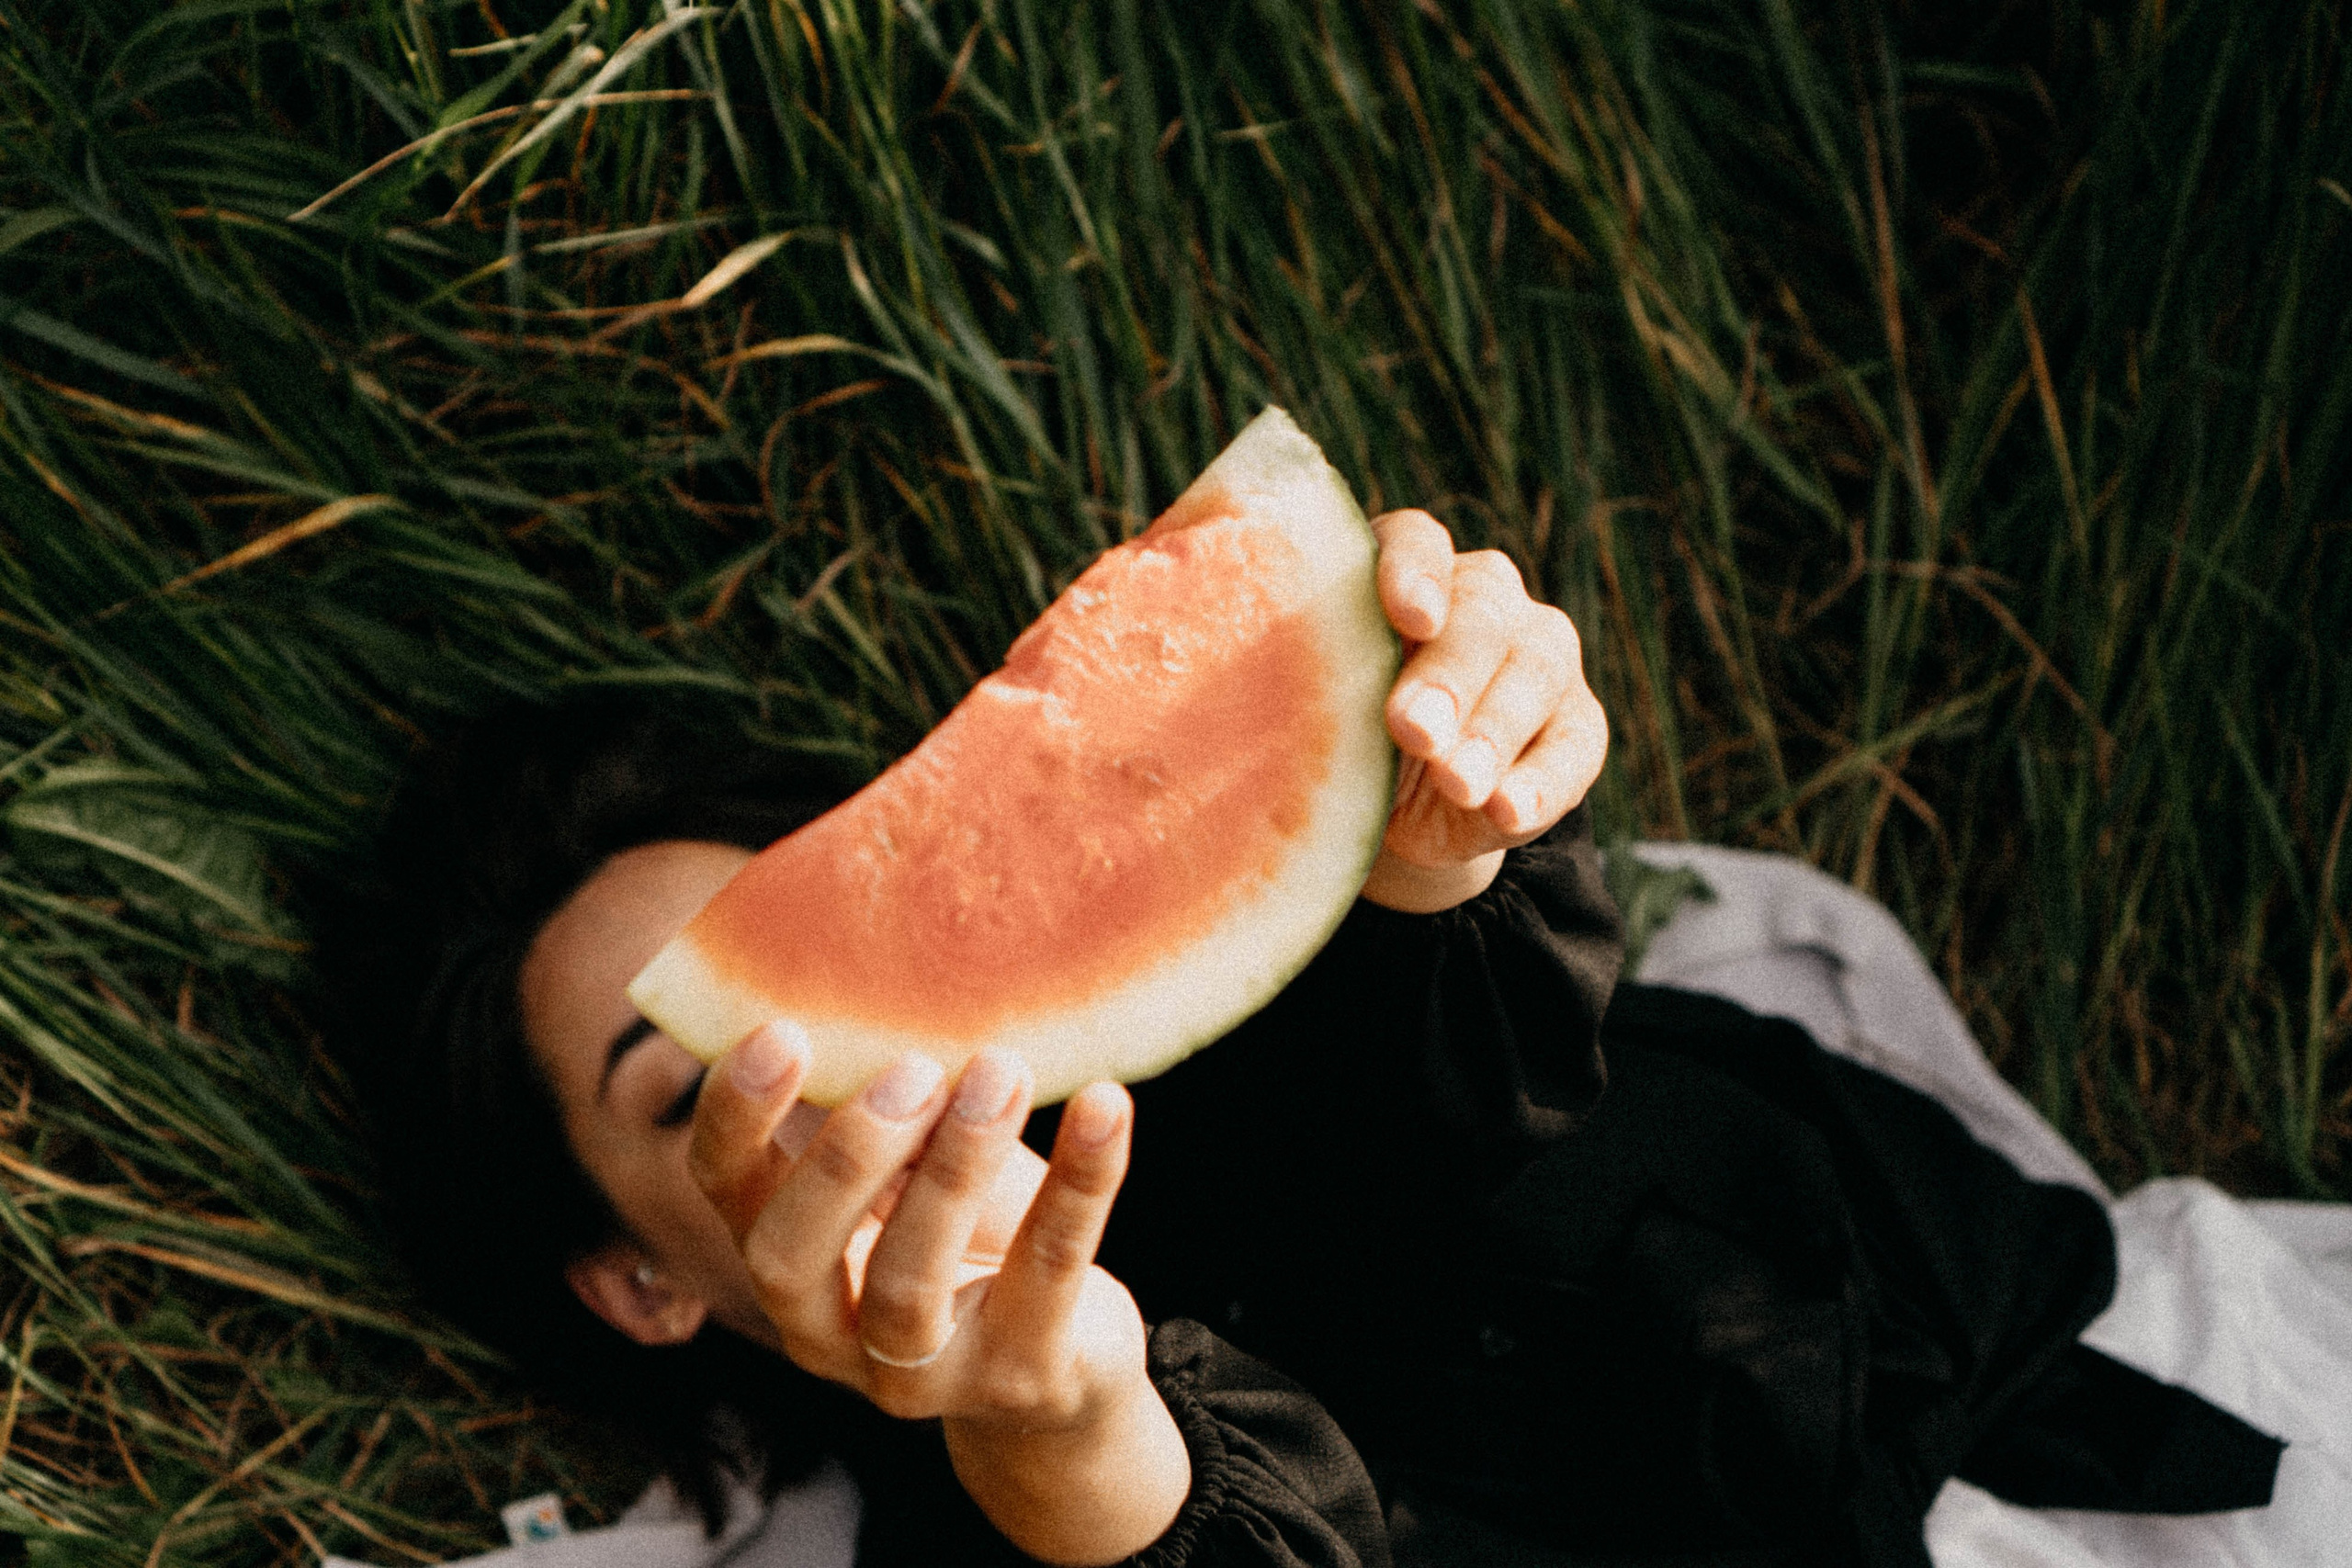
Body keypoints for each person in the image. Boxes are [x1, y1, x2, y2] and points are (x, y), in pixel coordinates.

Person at [320, 512, 2279, 1567]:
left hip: (2021, 1325)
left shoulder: (1231, 1063)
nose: (836, 1073)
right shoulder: (966, 1544)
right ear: (636, 1281)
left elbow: (1416, 1112)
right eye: (703, 1078)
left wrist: (1431, 841)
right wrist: (1059, 1423)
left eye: (822, 951)